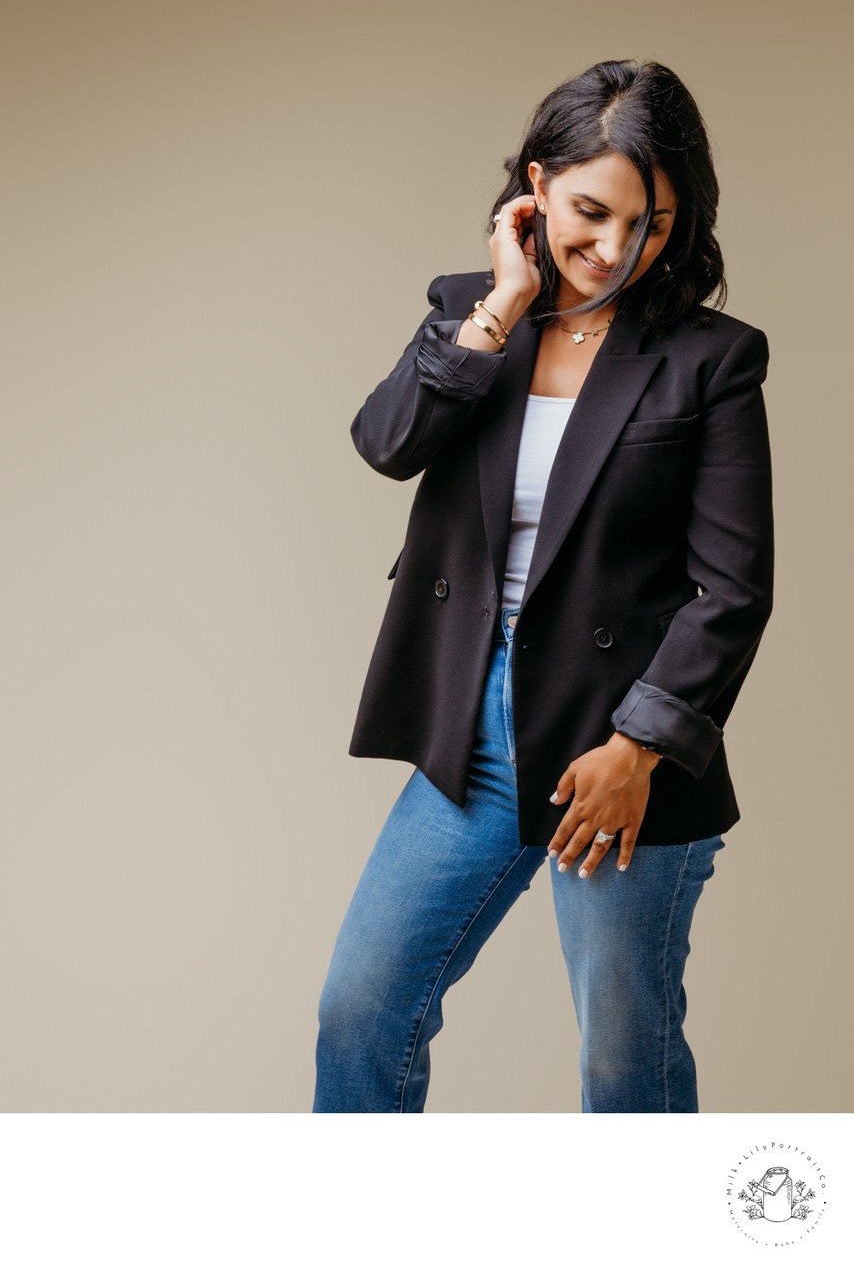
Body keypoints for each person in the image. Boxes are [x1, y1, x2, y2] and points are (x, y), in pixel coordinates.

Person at [312, 58, 774, 1114]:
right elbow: (386, 445)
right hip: (471, 725)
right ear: (534, 187)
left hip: (622, 743)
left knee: (623, 1055)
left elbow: (731, 586)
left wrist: (639, 746)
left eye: (649, 225)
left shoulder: (710, 359)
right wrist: (499, 309)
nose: (614, 250)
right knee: (362, 1008)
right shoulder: (471, 313)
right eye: (588, 212)